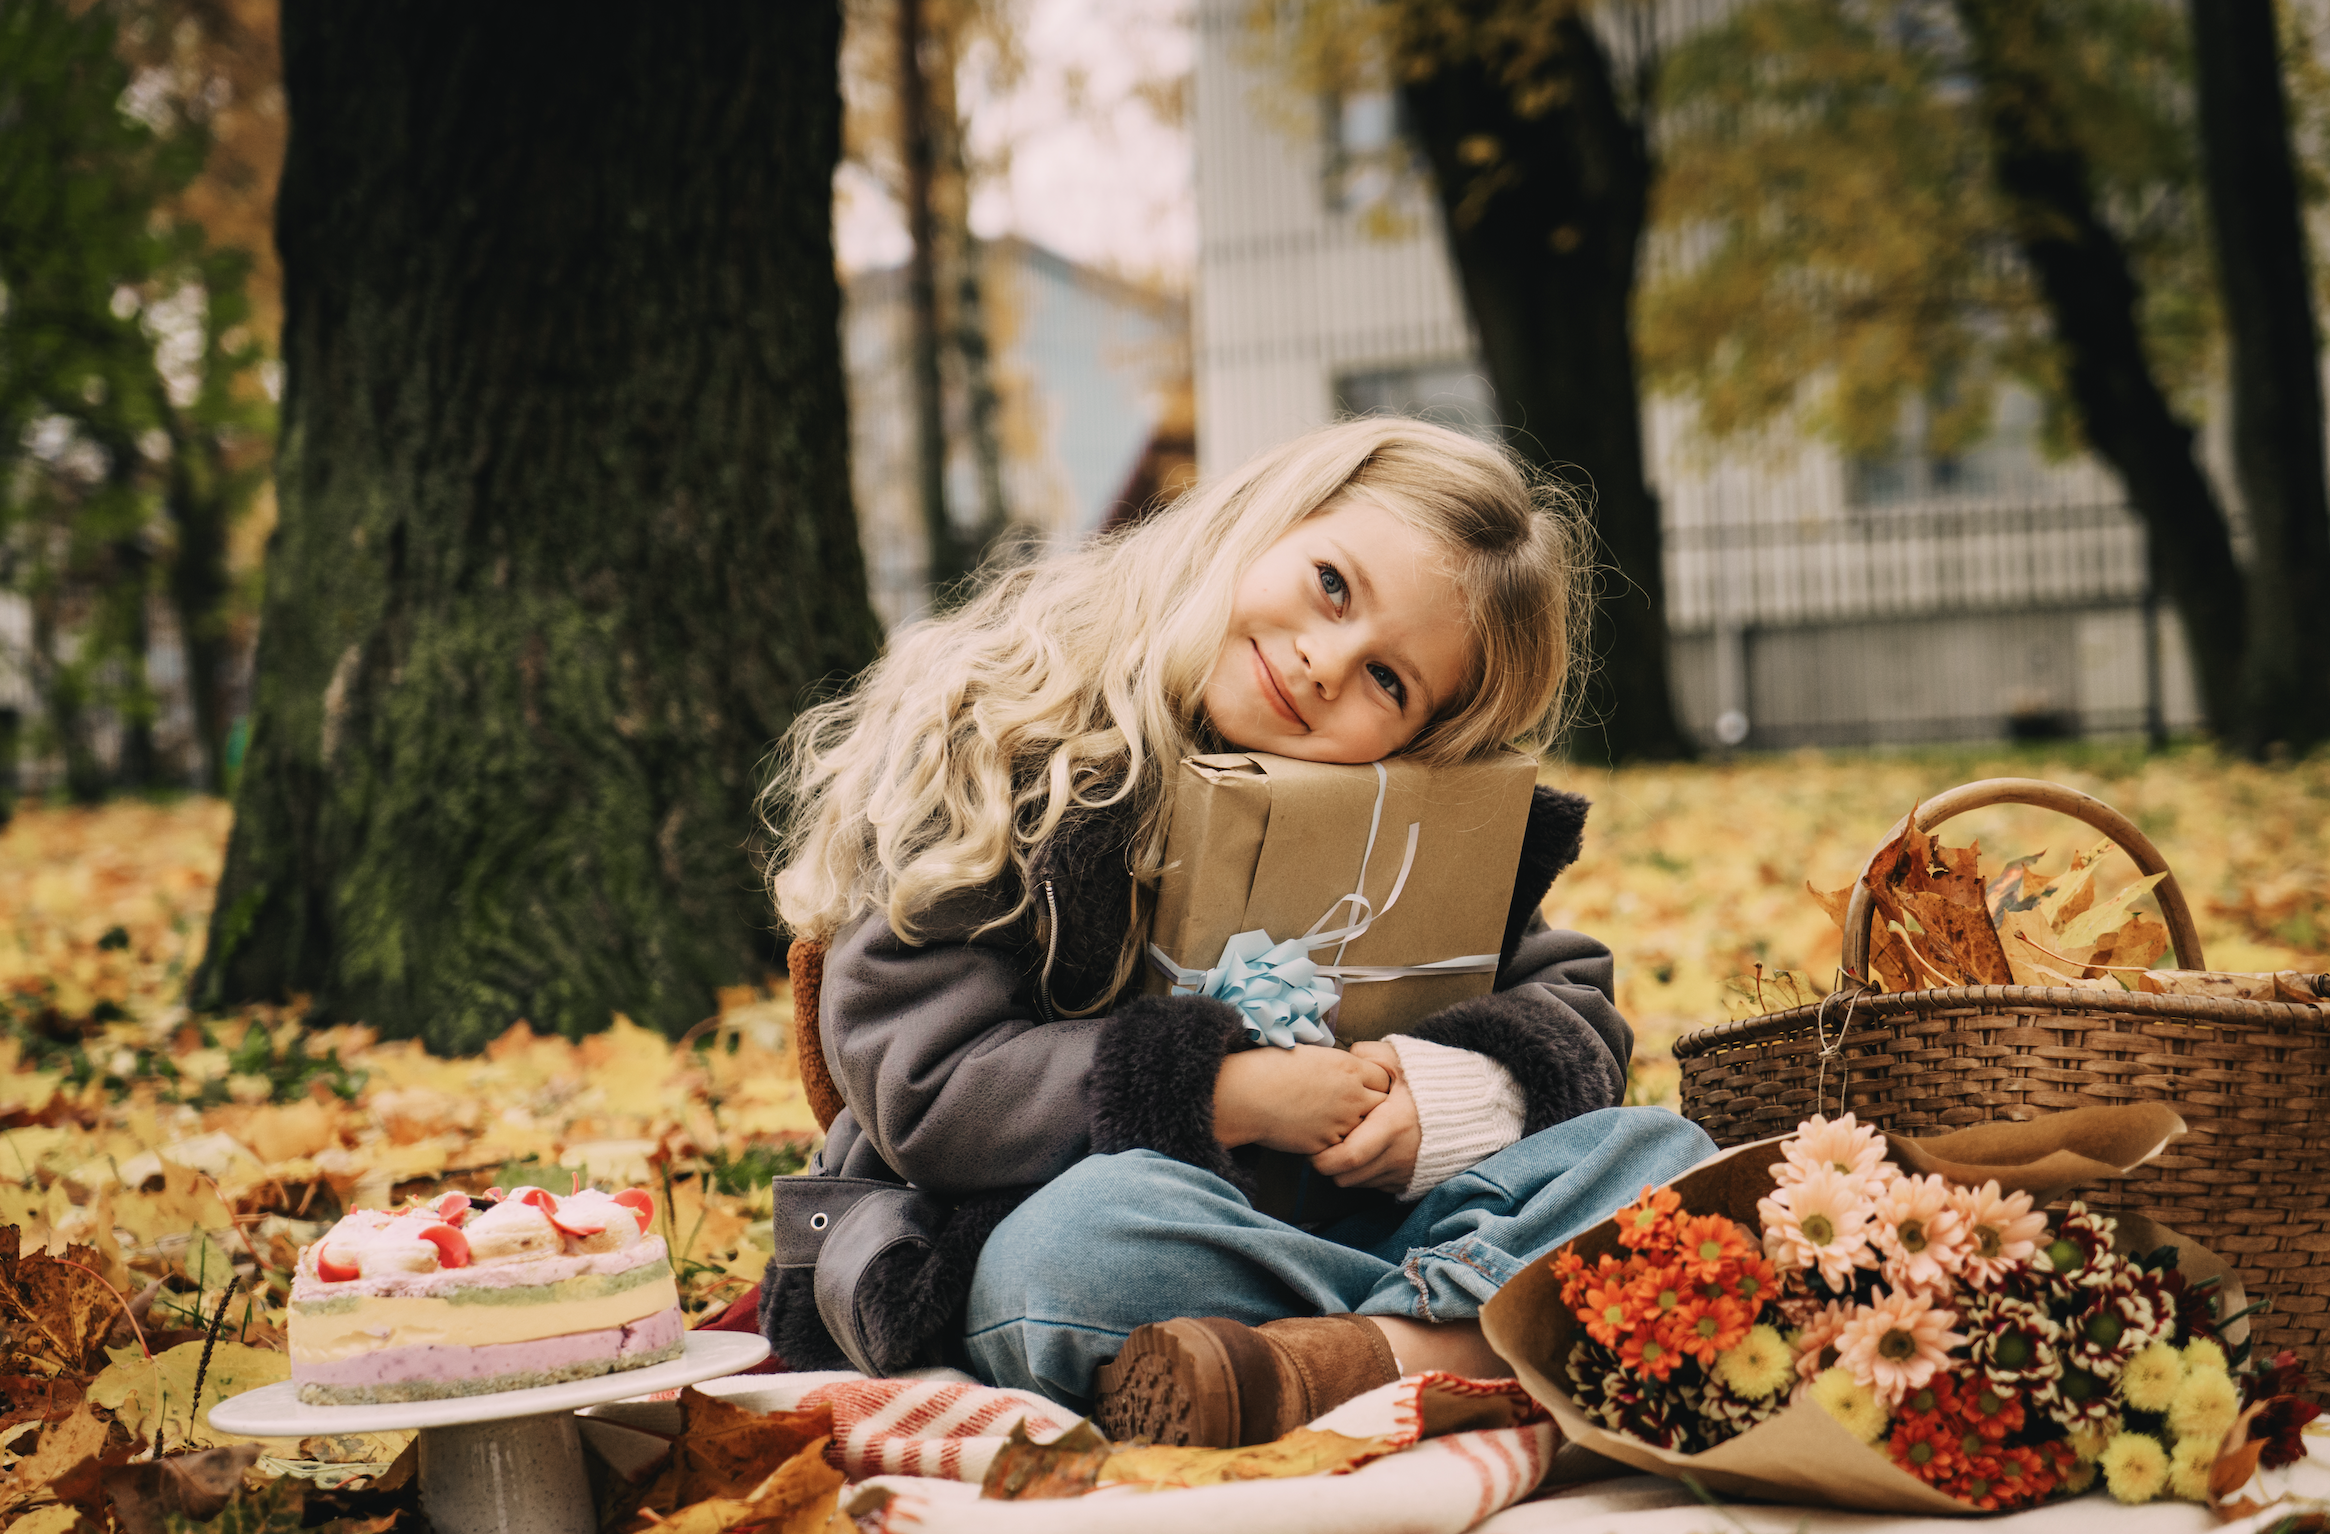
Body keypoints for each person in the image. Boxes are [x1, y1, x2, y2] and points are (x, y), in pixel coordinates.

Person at [755, 416, 1714, 1447]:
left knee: (1667, 1155)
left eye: (1389, 682)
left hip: (1328, 1234)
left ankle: (1334, 1365)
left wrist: (1452, 1096)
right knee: (1073, 1259)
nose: (1322, 662)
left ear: (1424, 738)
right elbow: (925, 1081)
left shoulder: (1386, 815)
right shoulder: (1011, 733)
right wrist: (1219, 1093)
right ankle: (1483, 1341)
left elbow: (1568, 1006)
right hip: (1053, 1232)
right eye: (1331, 585)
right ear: (1267, 518)